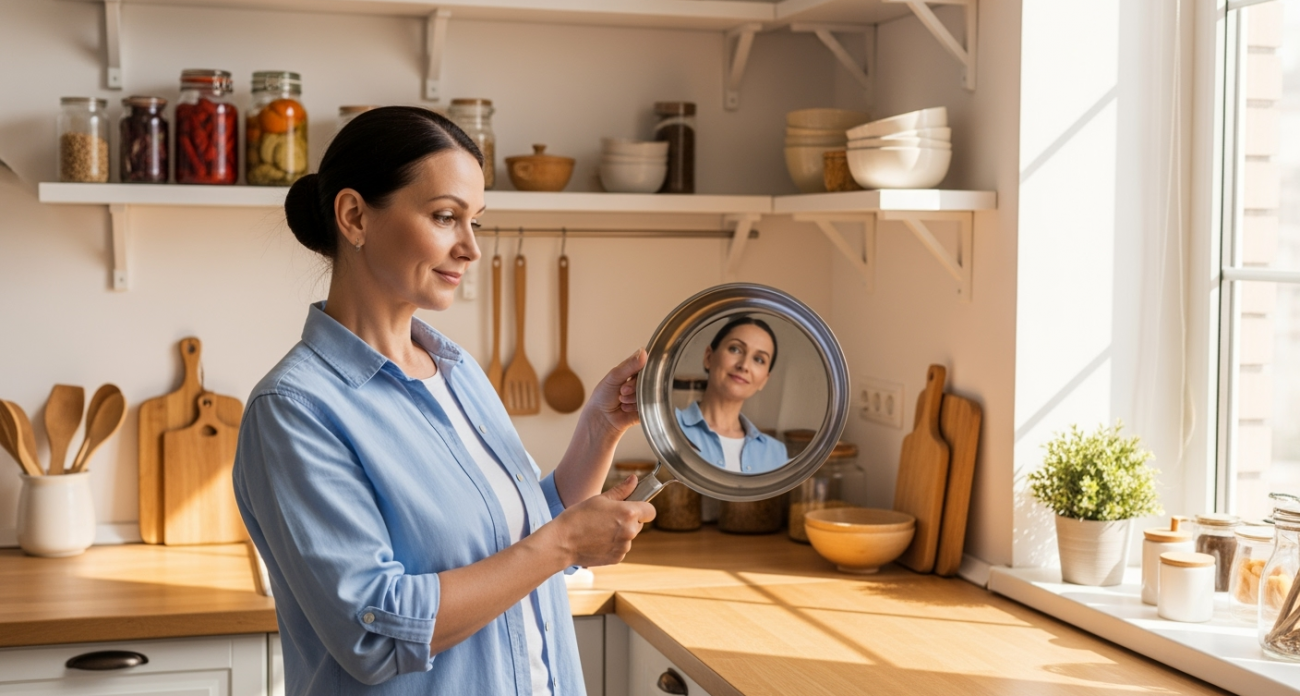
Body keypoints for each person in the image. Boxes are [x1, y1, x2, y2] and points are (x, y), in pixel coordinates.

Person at [232, 106, 656, 696]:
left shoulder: (456, 370)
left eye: (475, 222)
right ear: (354, 216)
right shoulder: (295, 410)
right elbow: (374, 632)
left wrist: (599, 429)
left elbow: (514, 537)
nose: (470, 249)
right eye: (444, 217)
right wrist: (562, 545)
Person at [674, 316, 789, 474]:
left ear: (764, 380)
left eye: (759, 359)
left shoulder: (776, 454)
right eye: (735, 349)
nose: (744, 365)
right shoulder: (666, 426)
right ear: (709, 357)